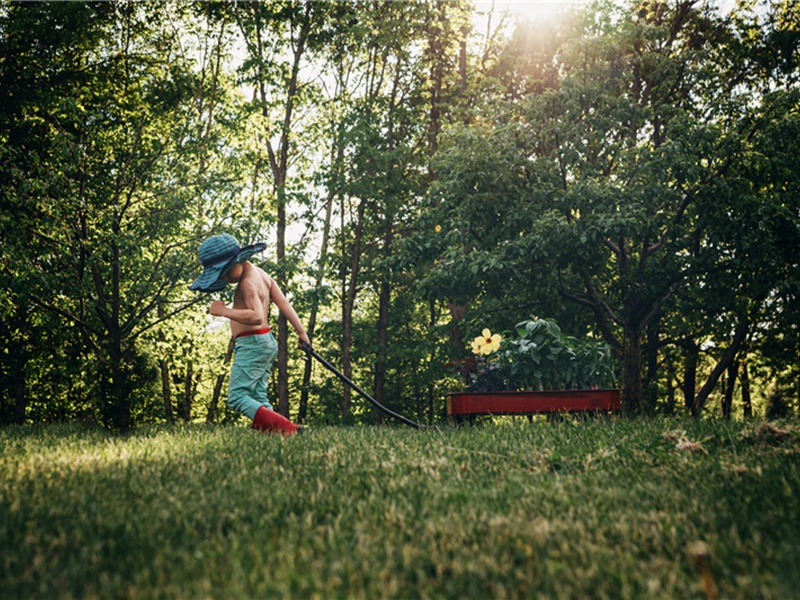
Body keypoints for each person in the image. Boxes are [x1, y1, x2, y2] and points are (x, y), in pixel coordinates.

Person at [190, 233, 310, 435]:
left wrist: (223, 311)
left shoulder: (246, 284)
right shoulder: (261, 274)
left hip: (252, 343)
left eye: (226, 272)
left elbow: (257, 317)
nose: (225, 278)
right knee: (258, 395)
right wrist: (301, 332)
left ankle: (290, 429)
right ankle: (277, 434)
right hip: (265, 342)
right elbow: (284, 304)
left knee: (237, 397)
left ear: (238, 260)